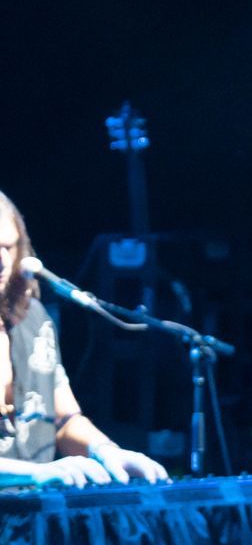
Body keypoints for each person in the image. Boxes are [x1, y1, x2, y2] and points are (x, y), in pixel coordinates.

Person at [0, 190, 170, 488]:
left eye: (8, 248)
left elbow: (64, 421)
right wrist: (33, 473)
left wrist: (106, 452)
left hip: (32, 522)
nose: (1, 261)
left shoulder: (33, 318)